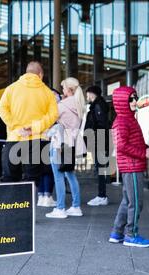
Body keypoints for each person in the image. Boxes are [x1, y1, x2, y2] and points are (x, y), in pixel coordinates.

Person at [0, 61, 59, 187]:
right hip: (36, 140)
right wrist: (35, 128)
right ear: (40, 74)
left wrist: (17, 126)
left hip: (15, 138)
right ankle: (27, 205)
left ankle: (12, 204)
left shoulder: (11, 88)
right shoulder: (47, 92)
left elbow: (2, 109)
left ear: (26, 72)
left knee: (9, 177)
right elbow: (53, 115)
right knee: (31, 180)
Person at [108, 86, 149, 247]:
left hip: (132, 166)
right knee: (136, 203)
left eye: (135, 98)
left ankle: (117, 232)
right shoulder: (122, 121)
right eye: (131, 99)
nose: (135, 101)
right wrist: (144, 154)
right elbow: (122, 146)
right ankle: (131, 235)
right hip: (132, 167)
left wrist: (147, 147)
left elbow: (134, 142)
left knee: (127, 200)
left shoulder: (128, 120)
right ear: (121, 102)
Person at [45, 78, 86, 219]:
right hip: (72, 142)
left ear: (69, 90)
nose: (62, 90)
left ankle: (60, 208)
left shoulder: (62, 105)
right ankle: (76, 206)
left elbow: (49, 120)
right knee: (70, 174)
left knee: (58, 176)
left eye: (63, 88)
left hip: (59, 143)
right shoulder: (79, 103)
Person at [84, 86, 111, 207]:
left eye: (87, 93)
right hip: (98, 140)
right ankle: (101, 195)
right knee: (100, 168)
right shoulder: (97, 105)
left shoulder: (98, 106)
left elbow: (101, 125)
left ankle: (102, 196)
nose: (86, 96)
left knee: (100, 168)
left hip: (98, 141)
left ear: (92, 93)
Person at [37, 89, 62, 208]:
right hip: (49, 140)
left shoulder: (38, 105)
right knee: (48, 170)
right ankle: (48, 197)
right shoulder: (54, 106)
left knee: (40, 170)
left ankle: (41, 197)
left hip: (37, 139)